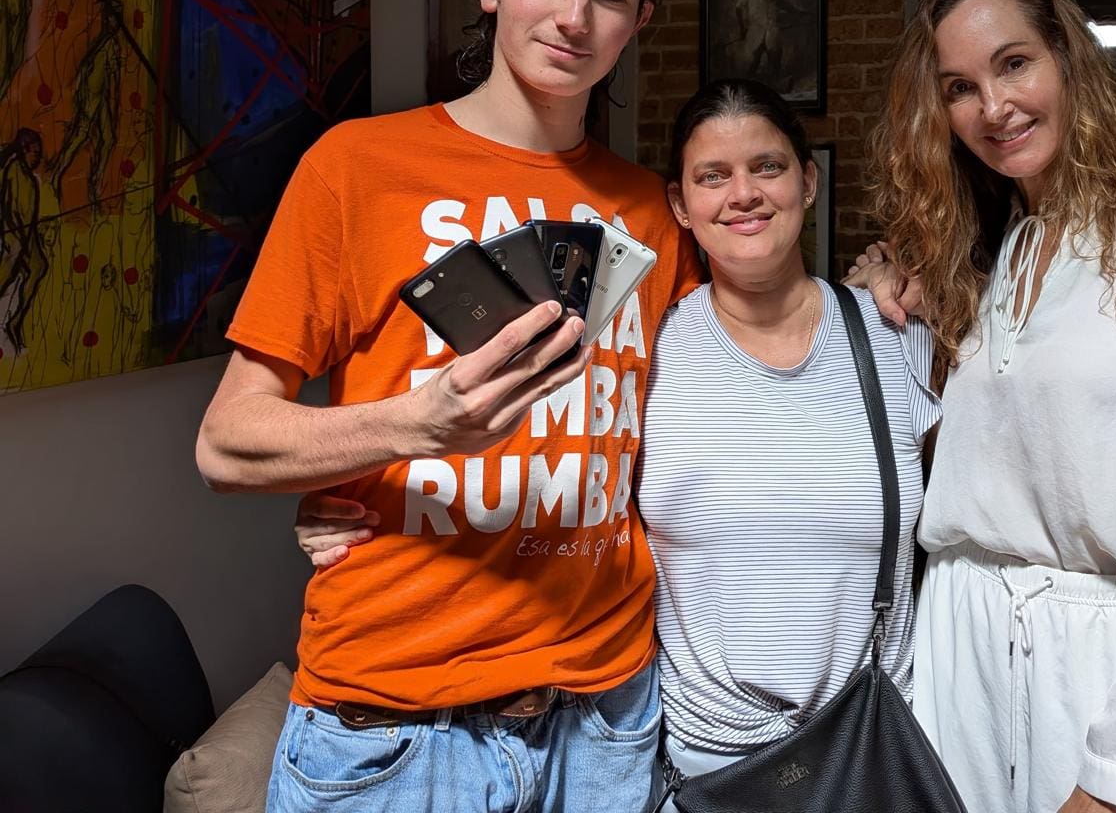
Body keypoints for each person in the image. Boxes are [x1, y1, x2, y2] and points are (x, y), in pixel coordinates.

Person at [195, 0, 703, 813]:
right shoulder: (357, 168)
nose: (574, 17)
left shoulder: (655, 214)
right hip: (394, 726)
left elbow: (723, 406)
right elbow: (225, 443)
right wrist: (409, 429)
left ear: (638, 20)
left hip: (606, 718)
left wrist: (879, 285)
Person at [295, 79, 940, 806]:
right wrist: (357, 493)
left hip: (865, 742)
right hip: (704, 761)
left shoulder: (900, 333)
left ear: (809, 181)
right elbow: (558, 451)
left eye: (768, 166)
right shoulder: (652, 339)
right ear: (679, 206)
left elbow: (969, 513)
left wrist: (894, 271)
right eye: (713, 176)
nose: (744, 194)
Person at [860, 0, 1116, 813]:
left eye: (1014, 64)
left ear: (1068, 60)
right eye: (960, 87)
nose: (994, 107)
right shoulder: (1006, 250)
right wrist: (898, 297)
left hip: (1108, 665)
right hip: (962, 649)